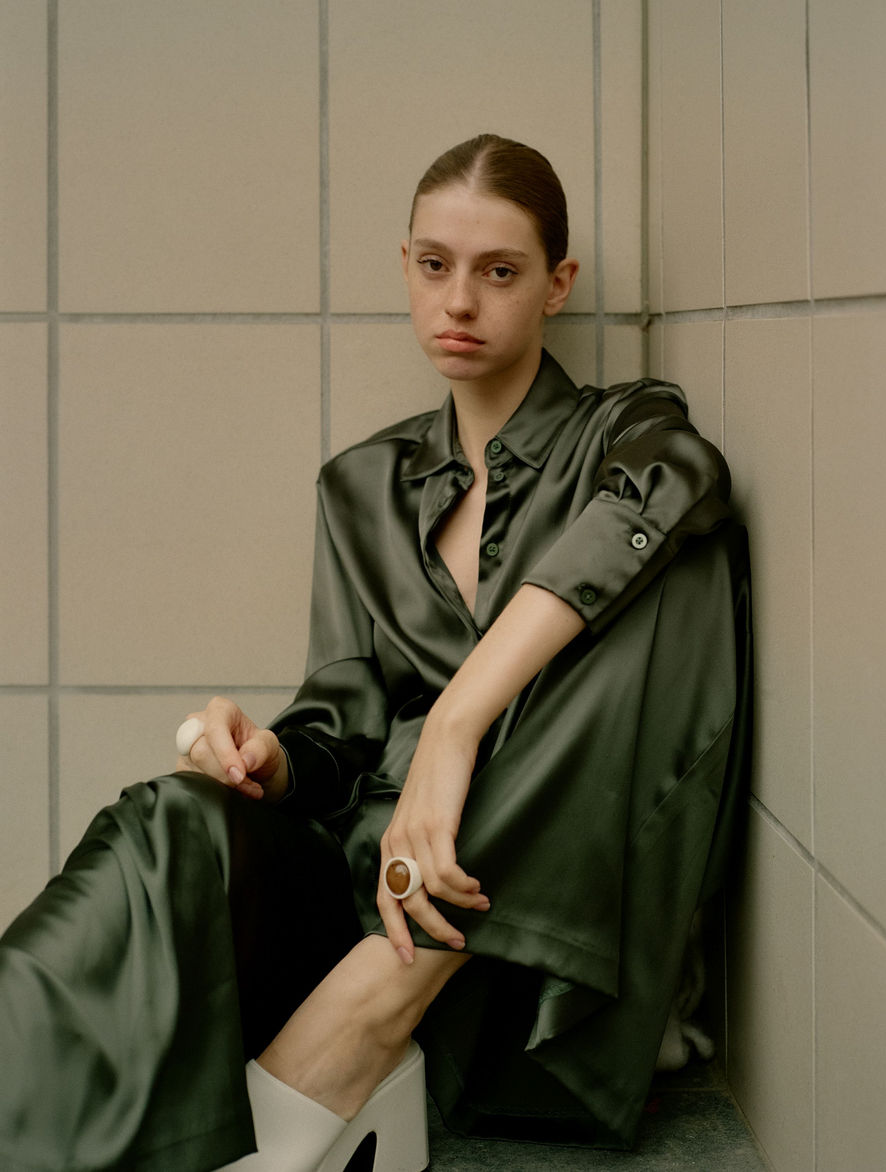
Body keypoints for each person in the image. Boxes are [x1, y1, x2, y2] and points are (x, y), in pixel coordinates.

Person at [0, 134, 751, 1172]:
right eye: (435, 265)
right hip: (364, 895)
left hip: (524, 960)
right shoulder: (360, 487)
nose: (459, 301)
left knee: (673, 564)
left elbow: (678, 480)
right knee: (166, 818)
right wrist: (272, 756)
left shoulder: (622, 432)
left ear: (557, 284)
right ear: (405, 266)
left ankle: (358, 1027)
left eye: (500, 272)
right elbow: (343, 717)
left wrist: (455, 725)